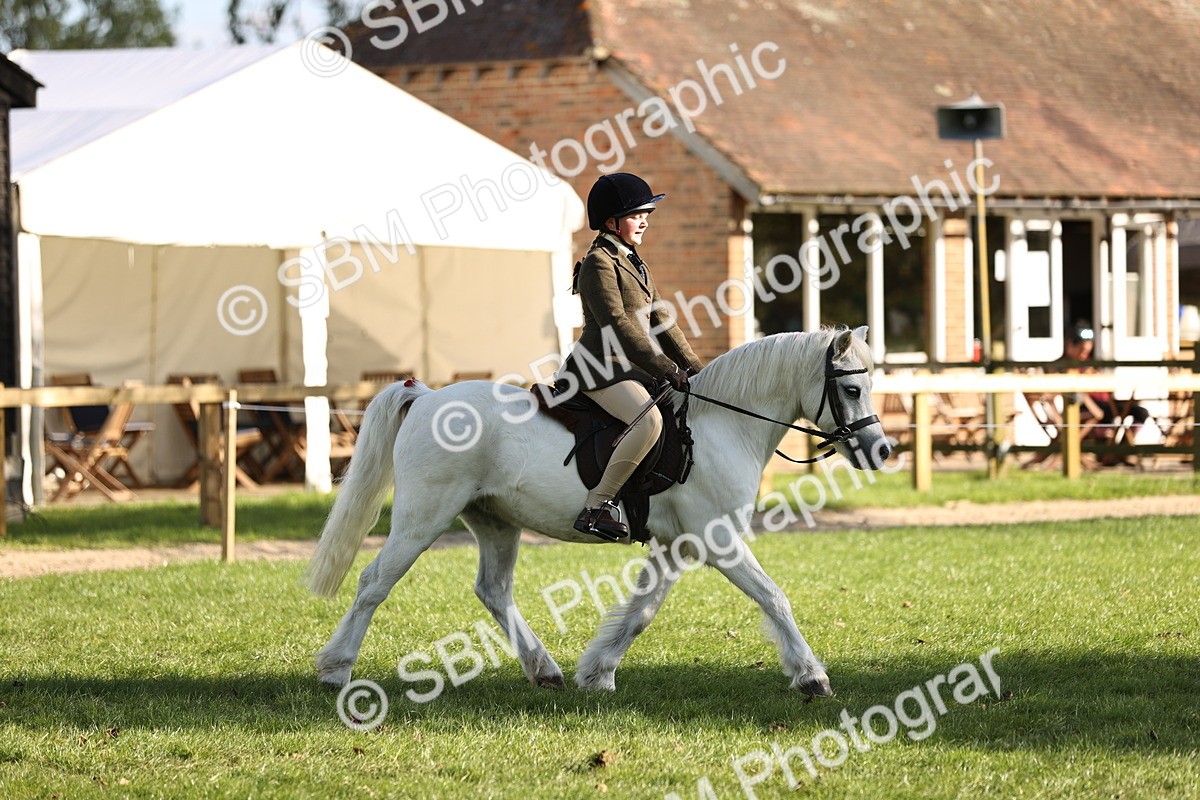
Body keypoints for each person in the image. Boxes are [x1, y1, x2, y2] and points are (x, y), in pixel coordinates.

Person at [559, 173, 704, 540]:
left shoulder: (634, 261)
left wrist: (697, 369)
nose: (645, 220)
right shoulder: (598, 263)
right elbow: (617, 325)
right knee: (648, 422)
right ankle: (597, 506)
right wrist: (664, 367)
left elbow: (661, 321)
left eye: (647, 214)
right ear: (612, 222)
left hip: (628, 368)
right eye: (637, 214)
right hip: (597, 368)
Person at [1064, 324, 1150, 455]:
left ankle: (1123, 451)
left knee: (1140, 412)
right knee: (1103, 416)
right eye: (1081, 350)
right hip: (1087, 407)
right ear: (1070, 346)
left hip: (1105, 404)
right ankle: (1107, 453)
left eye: (1087, 351)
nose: (1084, 354)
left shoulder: (1089, 364)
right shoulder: (1063, 365)